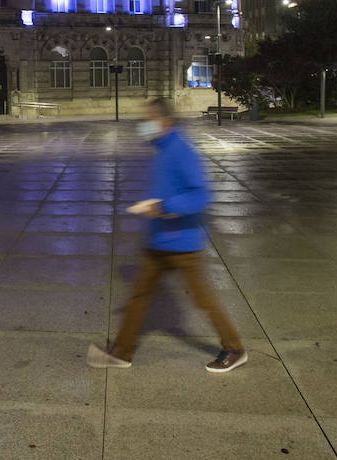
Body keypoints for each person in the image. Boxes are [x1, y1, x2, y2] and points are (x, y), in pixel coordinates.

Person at [88, 97, 246, 373]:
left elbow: (201, 194)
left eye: (148, 120)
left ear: (163, 121)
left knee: (203, 299)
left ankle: (234, 348)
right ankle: (121, 353)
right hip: (159, 241)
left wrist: (163, 207)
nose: (143, 126)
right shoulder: (162, 149)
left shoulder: (181, 149)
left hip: (183, 243)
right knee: (139, 295)